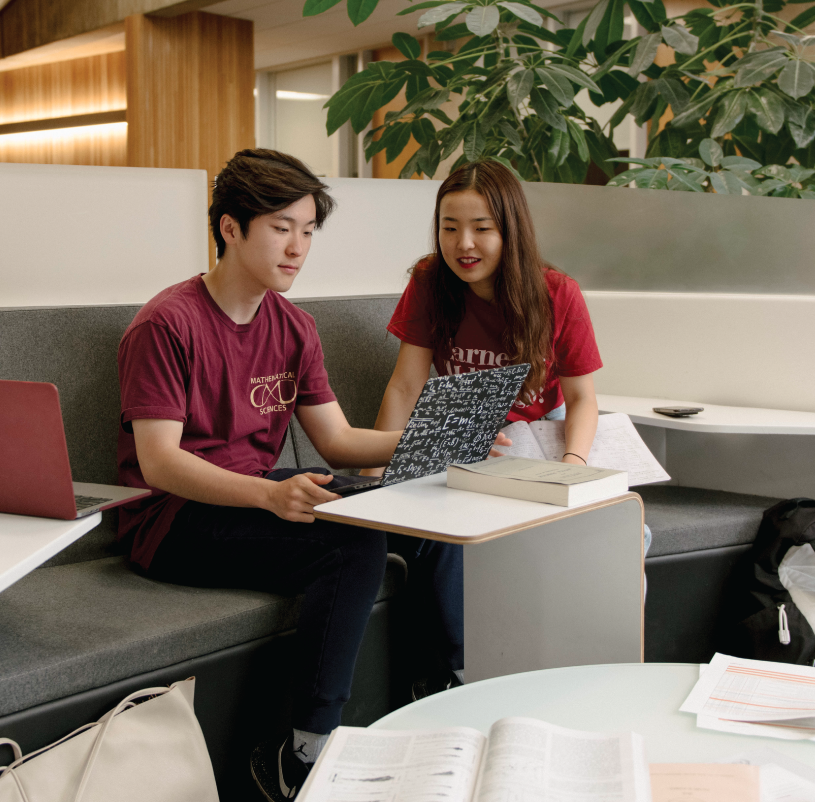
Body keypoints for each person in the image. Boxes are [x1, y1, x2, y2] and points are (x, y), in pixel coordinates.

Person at [114, 149, 462, 801]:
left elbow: (336, 441)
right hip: (171, 521)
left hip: (257, 498)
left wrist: (438, 444)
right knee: (354, 539)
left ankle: (437, 697)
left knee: (417, 508)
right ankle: (302, 757)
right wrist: (271, 494)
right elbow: (159, 462)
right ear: (230, 228)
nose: (298, 246)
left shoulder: (294, 327)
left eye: (307, 230)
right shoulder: (167, 324)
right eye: (281, 227)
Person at [368, 158, 603, 467]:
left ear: (510, 231)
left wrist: (574, 463)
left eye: (482, 228)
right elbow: (405, 387)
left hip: (542, 428)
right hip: (464, 426)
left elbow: (581, 398)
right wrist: (372, 473)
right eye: (449, 228)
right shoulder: (429, 280)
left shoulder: (559, 293)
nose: (464, 244)